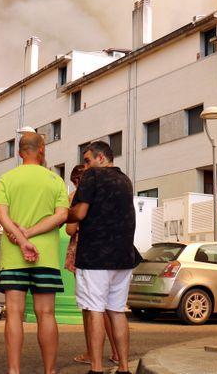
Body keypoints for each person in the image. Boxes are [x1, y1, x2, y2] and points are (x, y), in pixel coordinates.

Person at [0, 132, 70, 374]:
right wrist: (32, 233)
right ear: (42, 150)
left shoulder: (7, 178)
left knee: (14, 313)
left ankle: (13, 370)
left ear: (19, 152)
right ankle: (49, 371)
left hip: (14, 255)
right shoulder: (55, 180)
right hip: (45, 256)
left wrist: (20, 236)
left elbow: (1, 215)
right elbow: (61, 216)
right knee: (46, 313)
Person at [69, 140, 140, 374]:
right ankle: (123, 367)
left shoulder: (93, 176)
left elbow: (80, 212)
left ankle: (96, 369)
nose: (85, 166)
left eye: (88, 160)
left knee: (94, 311)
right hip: (123, 256)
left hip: (96, 255)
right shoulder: (125, 180)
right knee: (117, 311)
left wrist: (62, 213)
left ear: (101, 158)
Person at [67, 165, 120, 367]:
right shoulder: (108, 189)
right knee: (111, 306)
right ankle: (116, 353)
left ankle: (92, 354)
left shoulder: (76, 196)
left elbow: (70, 229)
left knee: (90, 307)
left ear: (76, 181)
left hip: (85, 252)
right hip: (109, 250)